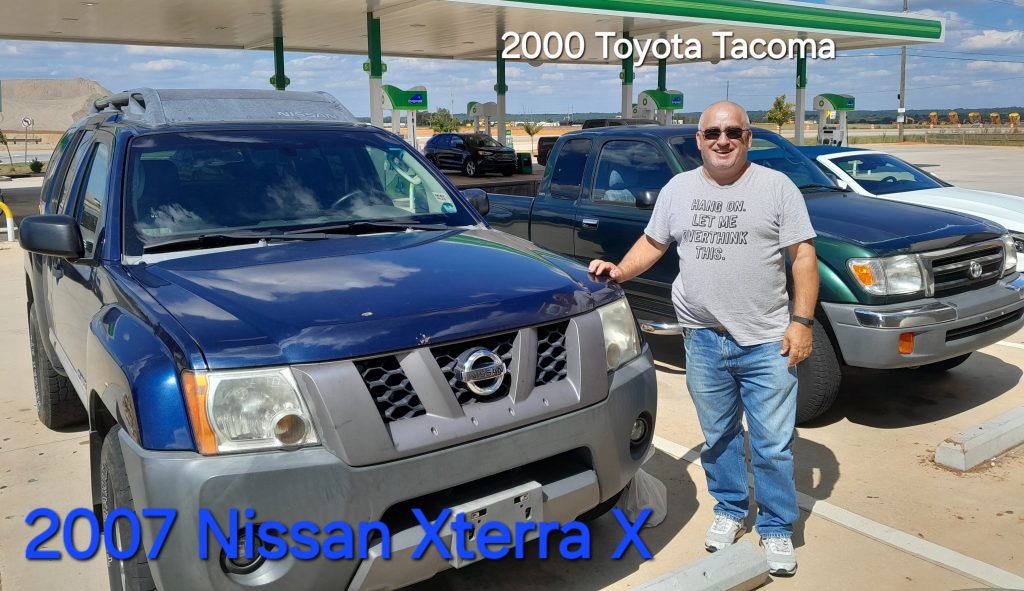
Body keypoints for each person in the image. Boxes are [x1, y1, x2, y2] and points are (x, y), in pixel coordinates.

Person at [589, 101, 818, 577]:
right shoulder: (679, 189)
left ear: (748, 138)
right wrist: (619, 270)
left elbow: (802, 257)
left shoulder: (777, 188)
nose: (722, 140)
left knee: (773, 444)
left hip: (766, 341)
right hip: (704, 340)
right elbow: (653, 243)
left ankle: (776, 527)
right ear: (698, 139)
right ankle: (731, 509)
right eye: (712, 131)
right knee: (719, 435)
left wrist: (802, 321)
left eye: (733, 131)